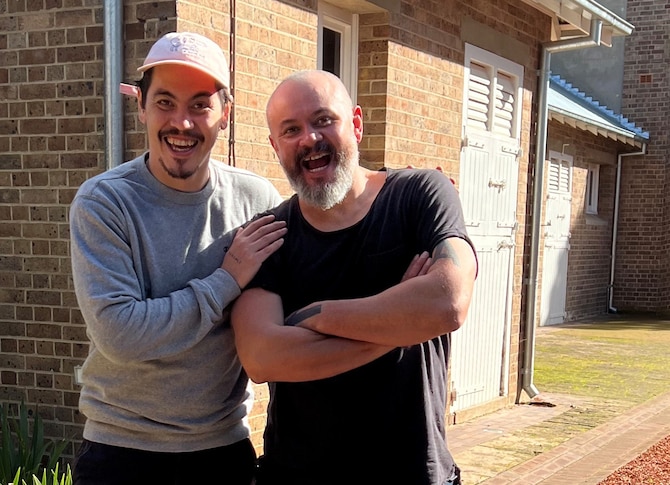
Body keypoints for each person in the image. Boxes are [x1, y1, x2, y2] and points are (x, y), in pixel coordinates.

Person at [231, 70, 478, 485]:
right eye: (291, 130)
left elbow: (448, 301)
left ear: (357, 124)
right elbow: (261, 357)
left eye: (324, 119)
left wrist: (313, 317)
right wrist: (401, 321)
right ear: (275, 147)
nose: (309, 138)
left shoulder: (420, 195)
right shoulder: (269, 234)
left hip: (412, 472)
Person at [69, 31, 286, 485]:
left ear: (225, 115)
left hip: (222, 453)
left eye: (200, 105)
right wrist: (227, 279)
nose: (181, 123)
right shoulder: (105, 203)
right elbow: (120, 334)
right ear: (141, 107)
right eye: (165, 102)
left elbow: (299, 299)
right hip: (122, 453)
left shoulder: (257, 200)